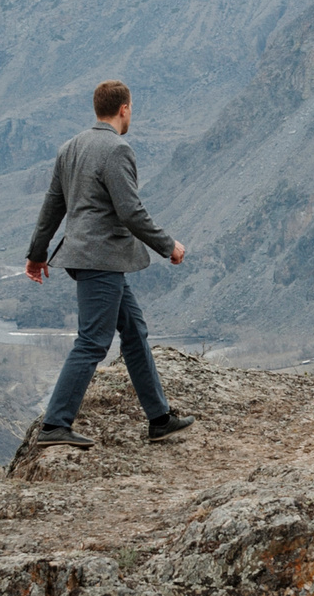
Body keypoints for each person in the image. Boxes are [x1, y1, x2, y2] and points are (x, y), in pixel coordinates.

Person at [23, 80, 196, 446]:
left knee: (134, 332)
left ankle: (160, 418)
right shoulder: (117, 149)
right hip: (101, 258)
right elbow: (130, 211)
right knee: (93, 341)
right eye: (131, 108)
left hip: (89, 258)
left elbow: (52, 206)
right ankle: (55, 425)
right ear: (124, 109)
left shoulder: (70, 148)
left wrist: (37, 254)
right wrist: (169, 246)